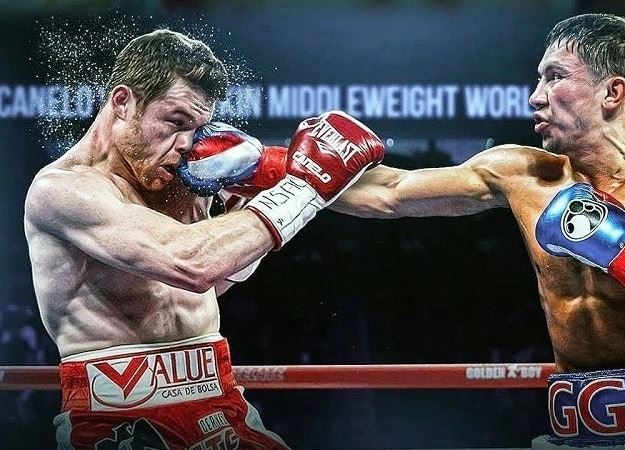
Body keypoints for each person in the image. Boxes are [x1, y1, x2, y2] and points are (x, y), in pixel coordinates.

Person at [332, 14, 625, 449]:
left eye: (555, 77)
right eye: (539, 79)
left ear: (613, 92)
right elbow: (390, 191)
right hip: (574, 434)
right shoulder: (523, 175)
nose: (535, 97)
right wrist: (290, 169)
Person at [23, 29, 384, 449]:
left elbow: (202, 289)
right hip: (119, 419)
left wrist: (244, 220)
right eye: (175, 122)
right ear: (122, 102)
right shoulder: (62, 190)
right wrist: (304, 187)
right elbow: (191, 265)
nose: (186, 144)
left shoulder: (186, 178)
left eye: (196, 128)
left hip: (219, 399)